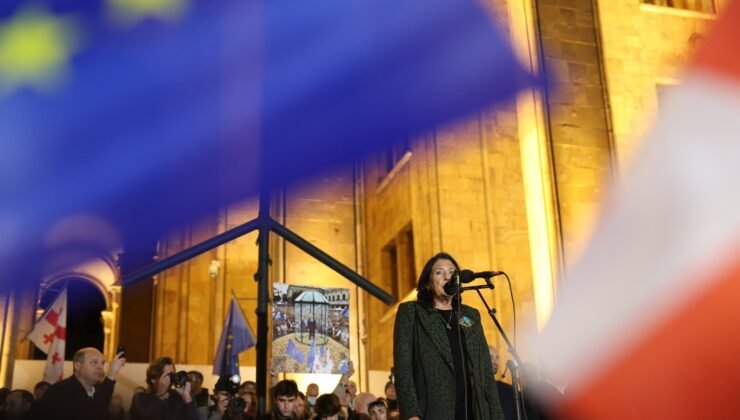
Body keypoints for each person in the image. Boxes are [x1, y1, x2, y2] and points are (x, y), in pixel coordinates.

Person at [393, 252, 504, 420]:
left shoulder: (470, 315)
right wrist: (411, 413)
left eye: (452, 272)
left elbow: (486, 372)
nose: (447, 277)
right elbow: (403, 369)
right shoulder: (412, 313)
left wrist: (496, 416)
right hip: (432, 411)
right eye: (439, 272)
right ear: (428, 283)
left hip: (474, 411)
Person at [32, 347, 125, 420]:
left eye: (102, 363)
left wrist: (112, 371)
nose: (100, 367)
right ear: (77, 366)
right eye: (94, 362)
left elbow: (105, 395)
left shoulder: (98, 392)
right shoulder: (59, 391)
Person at [129, 356, 200, 420]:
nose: (171, 379)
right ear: (153, 379)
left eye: (173, 374)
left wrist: (187, 399)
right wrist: (160, 395)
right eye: (167, 375)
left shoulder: (179, 397)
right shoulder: (141, 398)